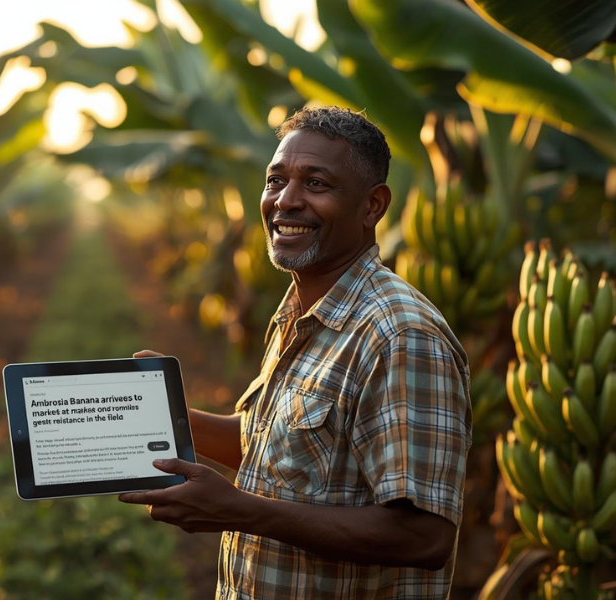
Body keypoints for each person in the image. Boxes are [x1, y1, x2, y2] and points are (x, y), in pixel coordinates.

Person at [119, 106, 473, 599]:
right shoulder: (299, 313)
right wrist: (166, 414)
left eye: (317, 184)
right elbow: (279, 449)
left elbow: (424, 536)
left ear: (373, 206)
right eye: (275, 181)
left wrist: (242, 509)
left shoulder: (399, 335)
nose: (285, 201)